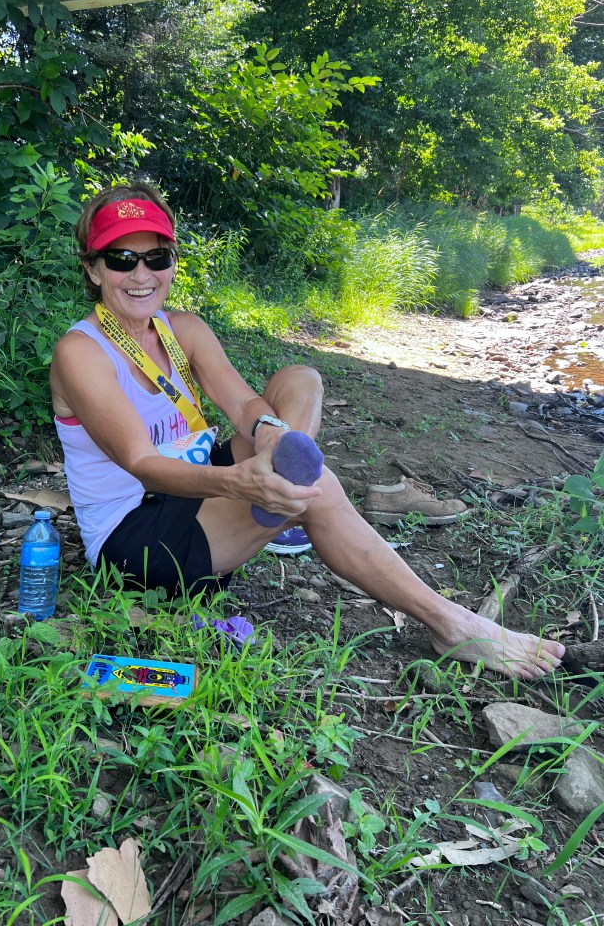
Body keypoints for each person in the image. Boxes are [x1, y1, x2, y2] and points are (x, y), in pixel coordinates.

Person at [50, 182, 564, 681]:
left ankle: (283, 481)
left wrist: (271, 434)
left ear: (172, 263)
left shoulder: (181, 328)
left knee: (300, 378)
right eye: (121, 259)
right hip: (135, 538)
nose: (141, 274)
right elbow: (143, 465)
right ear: (93, 269)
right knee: (320, 490)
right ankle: (451, 624)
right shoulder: (82, 352)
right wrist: (237, 483)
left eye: (156, 257)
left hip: (195, 489)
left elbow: (243, 403)